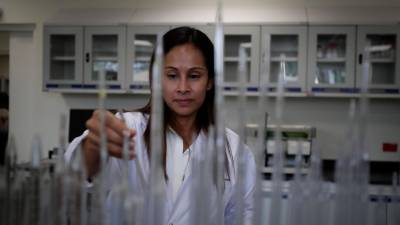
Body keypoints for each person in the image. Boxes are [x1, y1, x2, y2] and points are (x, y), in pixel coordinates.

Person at [65, 26, 256, 225]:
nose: (183, 88)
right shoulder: (128, 128)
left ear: (209, 82)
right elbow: (75, 173)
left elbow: (243, 217)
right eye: (172, 76)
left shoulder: (235, 150)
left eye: (194, 76)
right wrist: (92, 148)